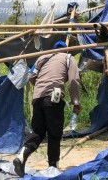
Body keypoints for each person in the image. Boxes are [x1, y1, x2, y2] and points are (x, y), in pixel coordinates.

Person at [13, 40, 81, 177]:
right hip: (53, 98)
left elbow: (31, 77)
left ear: (54, 49)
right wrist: (76, 102)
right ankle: (53, 168)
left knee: (38, 132)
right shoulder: (68, 58)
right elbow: (74, 80)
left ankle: (21, 156)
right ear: (66, 50)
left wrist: (41, 87)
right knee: (54, 133)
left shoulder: (42, 58)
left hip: (37, 98)